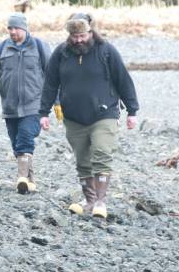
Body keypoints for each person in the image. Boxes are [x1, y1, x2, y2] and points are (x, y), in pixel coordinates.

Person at [38, 12, 139, 219]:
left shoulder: (106, 51)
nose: (78, 40)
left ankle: (101, 202)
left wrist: (132, 110)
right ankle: (89, 200)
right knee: (82, 160)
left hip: (104, 113)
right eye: (74, 37)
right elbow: (50, 84)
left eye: (82, 36)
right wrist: (44, 112)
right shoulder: (61, 53)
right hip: (74, 116)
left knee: (102, 153)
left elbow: (123, 80)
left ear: (90, 31)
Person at [0, 13, 51, 194]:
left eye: (16, 28)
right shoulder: (1, 49)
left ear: (25, 28)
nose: (13, 32)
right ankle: (30, 181)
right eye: (10, 28)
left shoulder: (39, 47)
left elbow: (53, 76)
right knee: (16, 144)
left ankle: (21, 178)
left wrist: (58, 102)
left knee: (25, 138)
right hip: (10, 107)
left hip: (34, 105)